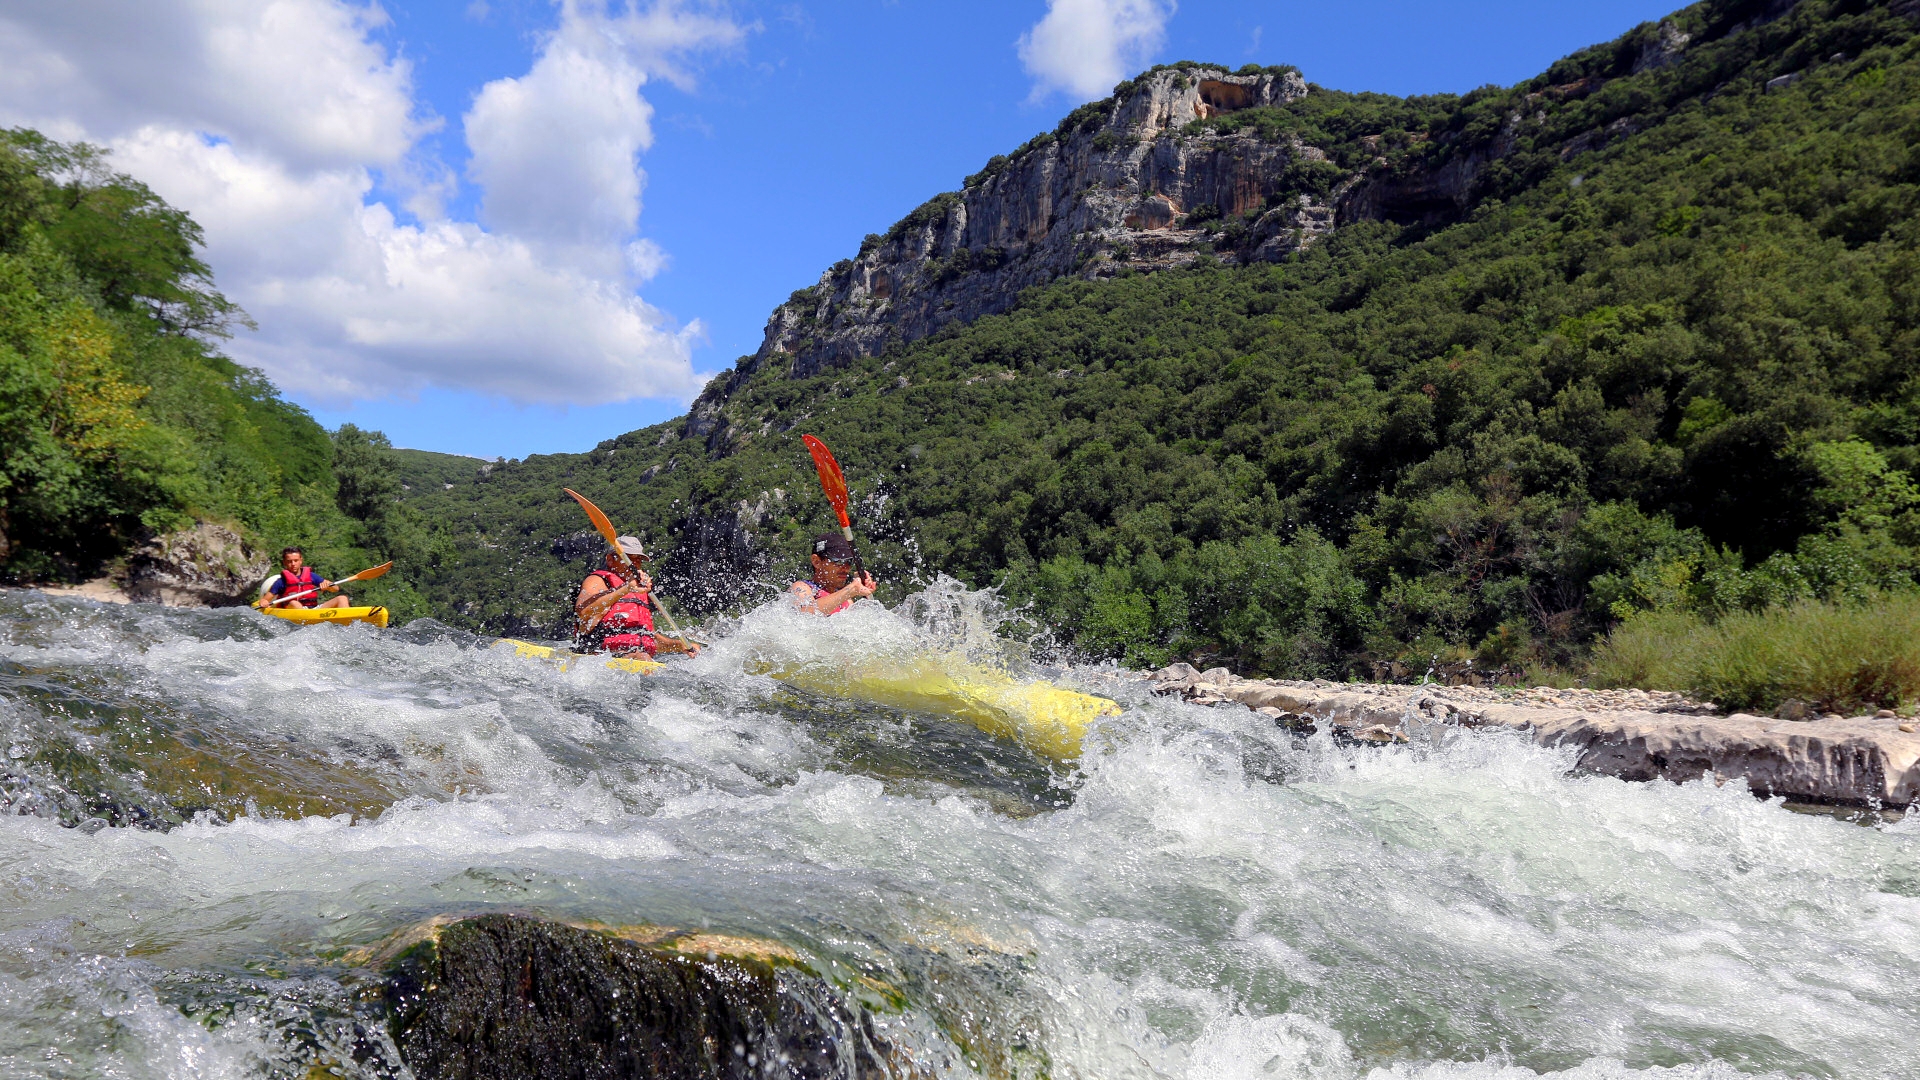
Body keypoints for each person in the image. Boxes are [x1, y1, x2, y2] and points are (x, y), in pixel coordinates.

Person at [573, 536, 699, 658]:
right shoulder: (598, 581)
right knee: (643, 657)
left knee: (643, 656)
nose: (634, 564)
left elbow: (648, 639)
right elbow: (583, 611)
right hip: (599, 657)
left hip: (633, 658)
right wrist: (626, 588)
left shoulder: (638, 590)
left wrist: (679, 645)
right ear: (610, 559)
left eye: (638, 559)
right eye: (629, 558)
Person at [790, 533, 875, 615]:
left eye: (849, 561)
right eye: (839, 562)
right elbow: (805, 613)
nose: (846, 568)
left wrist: (864, 593)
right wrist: (852, 589)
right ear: (817, 562)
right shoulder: (801, 587)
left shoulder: (846, 600)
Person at [261, 547, 352, 609]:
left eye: (296, 560)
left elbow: (336, 588)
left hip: (313, 609)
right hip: (294, 611)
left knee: (342, 598)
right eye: (289, 561)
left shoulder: (311, 576)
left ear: (301, 561)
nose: (293, 564)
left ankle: (346, 624)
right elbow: (265, 599)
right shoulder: (281, 582)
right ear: (284, 562)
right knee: (294, 603)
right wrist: (263, 602)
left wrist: (328, 586)